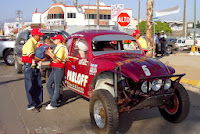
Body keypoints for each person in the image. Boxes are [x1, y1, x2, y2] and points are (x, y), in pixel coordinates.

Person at [22, 28, 45, 110]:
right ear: (34, 35)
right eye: (39, 36)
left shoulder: (36, 43)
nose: (40, 37)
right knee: (30, 86)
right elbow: (31, 56)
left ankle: (37, 102)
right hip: (29, 66)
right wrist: (41, 60)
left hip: (34, 65)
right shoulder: (30, 43)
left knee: (38, 84)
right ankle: (31, 104)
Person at [45, 34, 68, 110]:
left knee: (57, 86)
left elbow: (58, 60)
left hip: (59, 68)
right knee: (48, 85)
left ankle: (54, 103)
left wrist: (49, 54)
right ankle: (54, 100)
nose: (53, 41)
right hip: (55, 67)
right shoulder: (56, 47)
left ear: (59, 40)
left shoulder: (61, 48)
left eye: (55, 39)